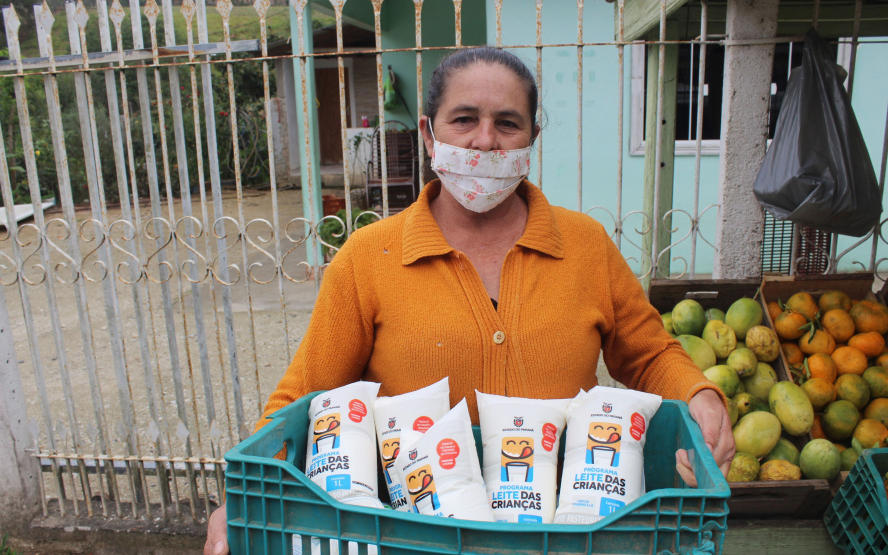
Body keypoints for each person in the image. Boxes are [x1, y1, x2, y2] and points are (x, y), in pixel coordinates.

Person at [204, 46, 734, 554]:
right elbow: (305, 394)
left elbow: (648, 353)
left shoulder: (585, 246)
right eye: (463, 119)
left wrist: (701, 396)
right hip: (413, 536)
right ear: (429, 136)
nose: (485, 141)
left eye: (508, 122)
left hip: (565, 536)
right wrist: (238, 498)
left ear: (532, 138)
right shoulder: (369, 258)